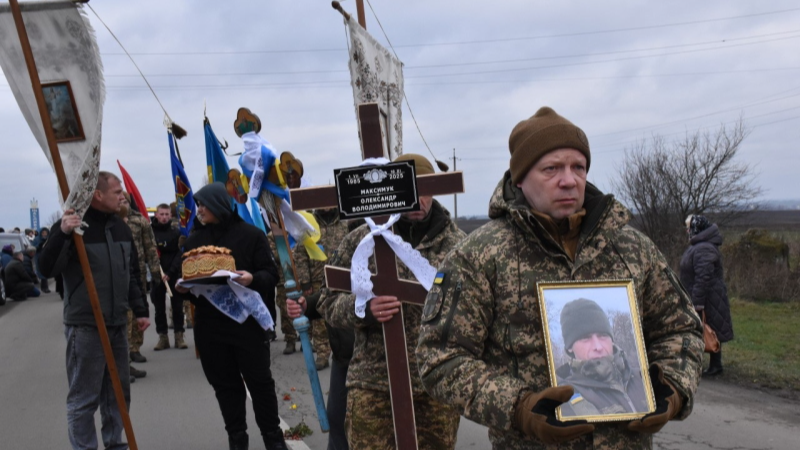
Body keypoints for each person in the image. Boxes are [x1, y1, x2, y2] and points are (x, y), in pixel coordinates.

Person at [416, 107, 704, 450]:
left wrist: (671, 387)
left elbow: (681, 329)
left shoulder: (632, 248)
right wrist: (520, 408)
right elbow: (441, 358)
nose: (569, 179)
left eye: (578, 167)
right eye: (551, 168)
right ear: (520, 178)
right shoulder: (479, 256)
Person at [318, 154, 466, 450]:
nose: (417, 199)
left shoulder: (458, 245)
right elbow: (327, 302)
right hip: (373, 383)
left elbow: (475, 308)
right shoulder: (362, 240)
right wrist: (364, 310)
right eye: (410, 189)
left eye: (424, 190)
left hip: (434, 382)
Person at [39, 171, 150, 450]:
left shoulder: (122, 227)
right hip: (85, 325)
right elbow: (45, 268)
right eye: (117, 191)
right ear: (98, 195)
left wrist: (140, 309)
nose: (123, 195)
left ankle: (115, 443)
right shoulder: (73, 228)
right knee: (84, 397)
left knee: (118, 394)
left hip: (116, 323)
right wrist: (62, 233)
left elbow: (132, 273)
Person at [172, 182, 287, 450]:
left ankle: (273, 438)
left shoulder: (251, 235)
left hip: (247, 326)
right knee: (226, 387)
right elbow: (181, 278)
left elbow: (271, 275)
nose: (199, 210)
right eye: (198, 205)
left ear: (219, 203)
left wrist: (251, 279)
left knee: (259, 384)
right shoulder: (194, 241)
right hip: (211, 329)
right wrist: (182, 288)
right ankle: (237, 438)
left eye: (203, 204)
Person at [286, 207, 353, 450]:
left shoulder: (349, 224)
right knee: (337, 421)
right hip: (347, 350)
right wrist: (306, 302)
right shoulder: (312, 224)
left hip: (393, 354)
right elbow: (302, 255)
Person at [555, 298, 649, 417]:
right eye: (585, 338)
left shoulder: (643, 378)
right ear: (569, 347)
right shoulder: (563, 398)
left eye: (603, 336)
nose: (598, 346)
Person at [289, 206, 347, 371]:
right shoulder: (309, 224)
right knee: (320, 319)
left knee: (341, 315)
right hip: (317, 279)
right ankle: (322, 353)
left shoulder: (345, 223)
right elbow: (300, 254)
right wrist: (305, 282)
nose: (326, 207)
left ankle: (343, 351)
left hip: (342, 279)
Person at [680, 215, 733, 377]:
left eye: (689, 227)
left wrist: (698, 302)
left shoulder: (703, 248)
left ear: (697, 229)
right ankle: (712, 365)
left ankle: (708, 365)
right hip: (706, 296)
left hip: (707, 297)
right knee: (708, 329)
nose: (687, 231)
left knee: (707, 330)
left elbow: (703, 277)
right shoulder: (701, 245)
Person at [121, 192, 162, 367]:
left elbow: (150, 247)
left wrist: (155, 272)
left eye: (125, 200)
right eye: (119, 200)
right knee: (124, 313)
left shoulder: (140, 221)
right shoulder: (111, 221)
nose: (122, 203)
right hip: (119, 273)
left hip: (137, 272)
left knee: (139, 308)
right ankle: (124, 349)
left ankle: (135, 348)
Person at [151, 203, 185, 351]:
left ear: (170, 216)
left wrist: (171, 273)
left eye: (166, 214)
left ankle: (179, 336)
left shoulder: (176, 232)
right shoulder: (150, 232)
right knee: (159, 308)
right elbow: (148, 251)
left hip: (173, 273)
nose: (164, 217)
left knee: (177, 306)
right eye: (161, 214)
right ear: (156, 215)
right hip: (157, 274)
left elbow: (180, 253)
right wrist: (157, 271)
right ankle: (163, 337)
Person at [35, 227, 51, 293]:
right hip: (39, 257)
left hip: (47, 257)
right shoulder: (37, 239)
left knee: (46, 271)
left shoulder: (49, 239)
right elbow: (34, 248)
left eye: (46, 233)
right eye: (43, 233)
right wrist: (39, 245)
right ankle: (44, 287)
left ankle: (45, 287)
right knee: (41, 272)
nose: (44, 234)